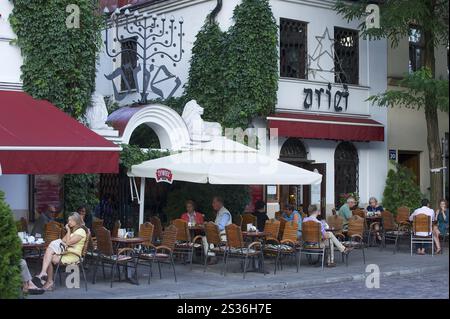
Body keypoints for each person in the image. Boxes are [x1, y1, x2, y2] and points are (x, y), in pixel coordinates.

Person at [32, 212, 87, 290]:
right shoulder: (73, 231)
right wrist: (67, 237)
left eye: (71, 221)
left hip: (73, 256)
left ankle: (48, 279)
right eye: (68, 220)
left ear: (76, 221)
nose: (69, 222)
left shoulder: (81, 231)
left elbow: (67, 242)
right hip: (66, 253)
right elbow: (62, 241)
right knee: (48, 255)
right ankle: (47, 278)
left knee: (48, 255)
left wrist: (68, 231)